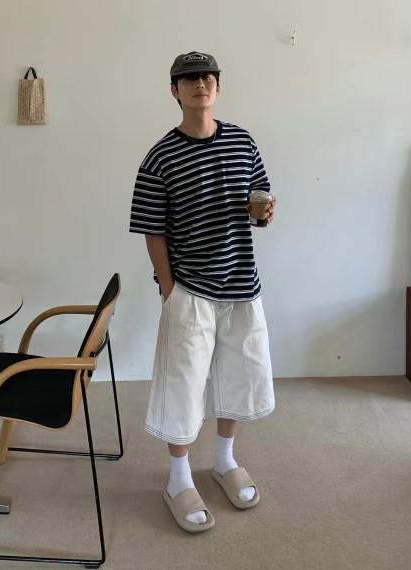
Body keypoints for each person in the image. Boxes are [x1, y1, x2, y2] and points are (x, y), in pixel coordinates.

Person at [129, 51, 276, 533]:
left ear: (218, 87)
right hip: (189, 287)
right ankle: (178, 479)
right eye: (189, 78)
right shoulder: (160, 157)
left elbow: (259, 202)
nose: (200, 83)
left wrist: (264, 213)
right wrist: (168, 288)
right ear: (175, 91)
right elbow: (152, 229)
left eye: (208, 77)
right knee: (184, 383)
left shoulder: (242, 141)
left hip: (241, 284)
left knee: (239, 374)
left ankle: (225, 461)